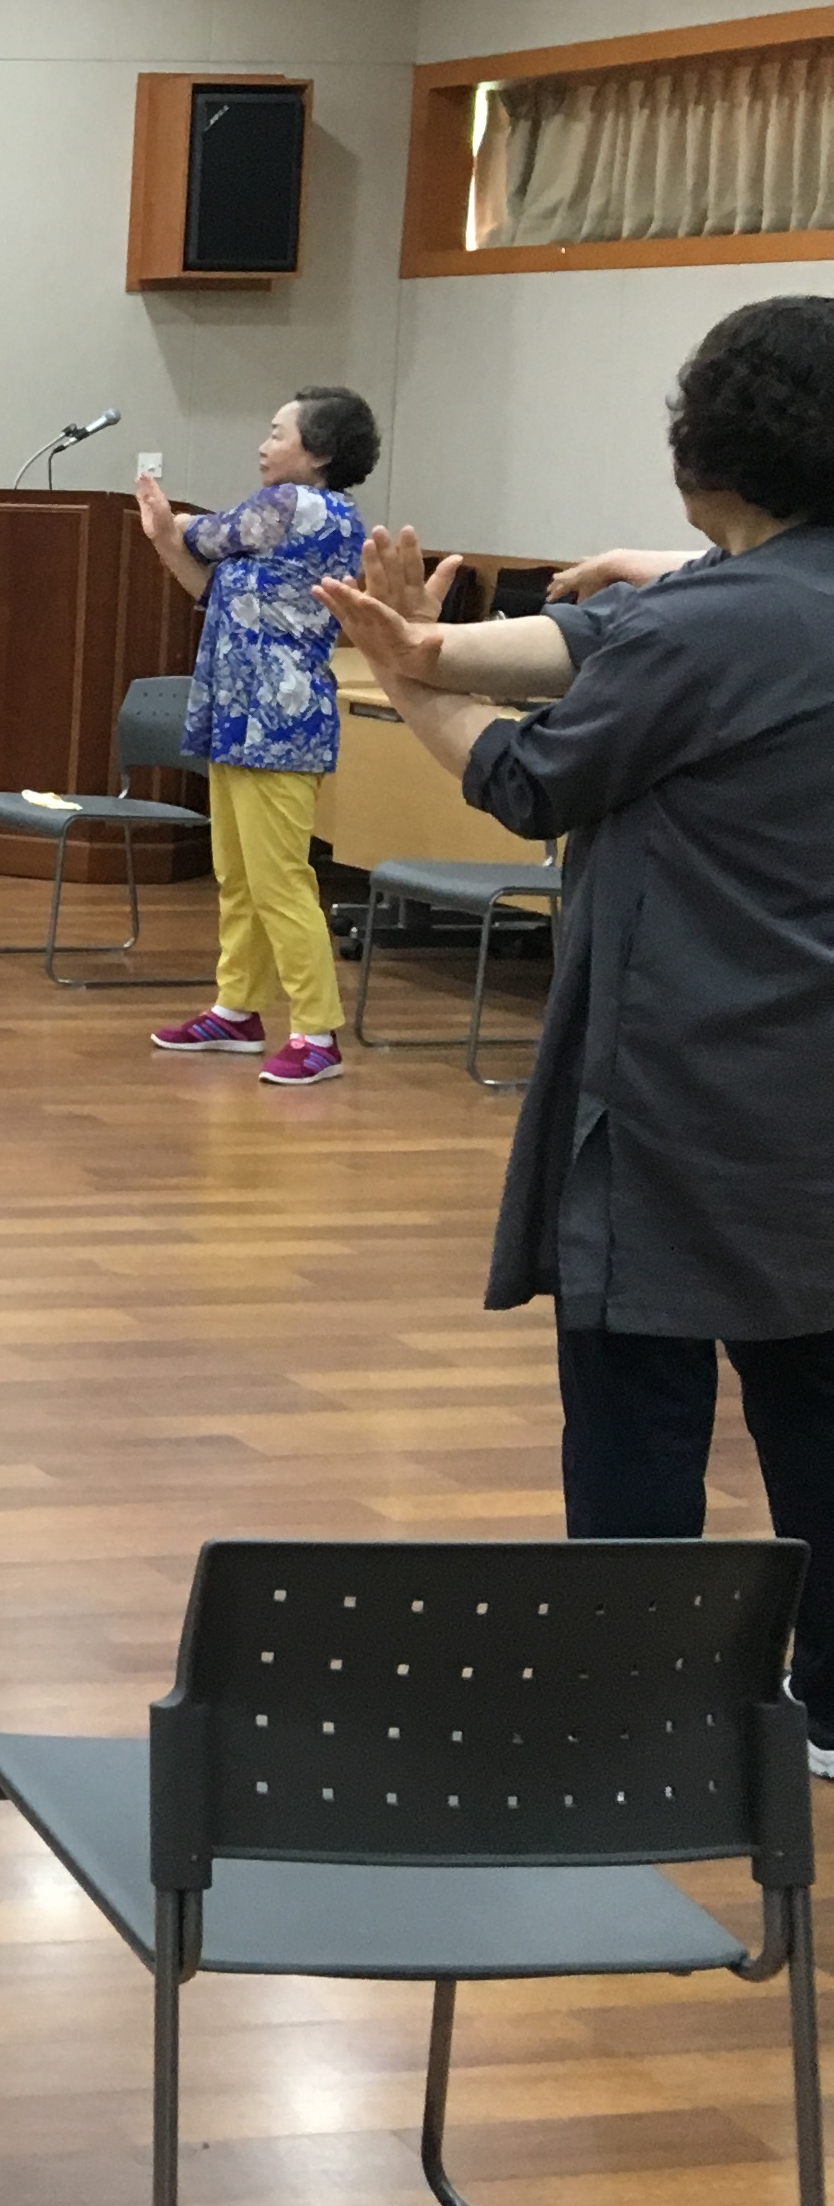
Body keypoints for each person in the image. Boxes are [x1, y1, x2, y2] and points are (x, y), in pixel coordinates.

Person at [321, 297, 834, 1760]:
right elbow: (610, 631)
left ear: (703, 448)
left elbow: (526, 778)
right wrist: (435, 637)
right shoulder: (729, 603)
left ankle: (633, 1701)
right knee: (817, 1389)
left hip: (685, 1077)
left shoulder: (710, 621)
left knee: (638, 1400)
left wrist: (401, 675)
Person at [133, 387, 379, 1089]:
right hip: (239, 716)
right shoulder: (281, 521)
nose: (263, 446)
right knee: (239, 876)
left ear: (318, 453)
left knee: (280, 880)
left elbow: (205, 537)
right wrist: (163, 536)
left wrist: (177, 525)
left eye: (277, 433)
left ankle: (317, 1031)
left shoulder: (297, 506)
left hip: (281, 721)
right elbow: (209, 590)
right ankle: (237, 1009)